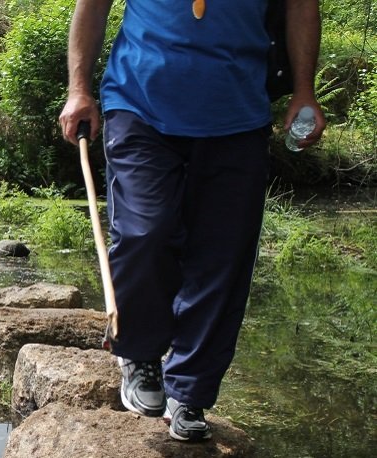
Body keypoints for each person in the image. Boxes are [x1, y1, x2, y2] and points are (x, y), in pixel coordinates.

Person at [58, 0, 326, 442]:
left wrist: (304, 90)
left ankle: (190, 390)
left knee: (223, 257)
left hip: (238, 114)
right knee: (146, 230)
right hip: (138, 102)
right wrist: (79, 89)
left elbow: (301, 7)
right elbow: (93, 7)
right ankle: (139, 354)